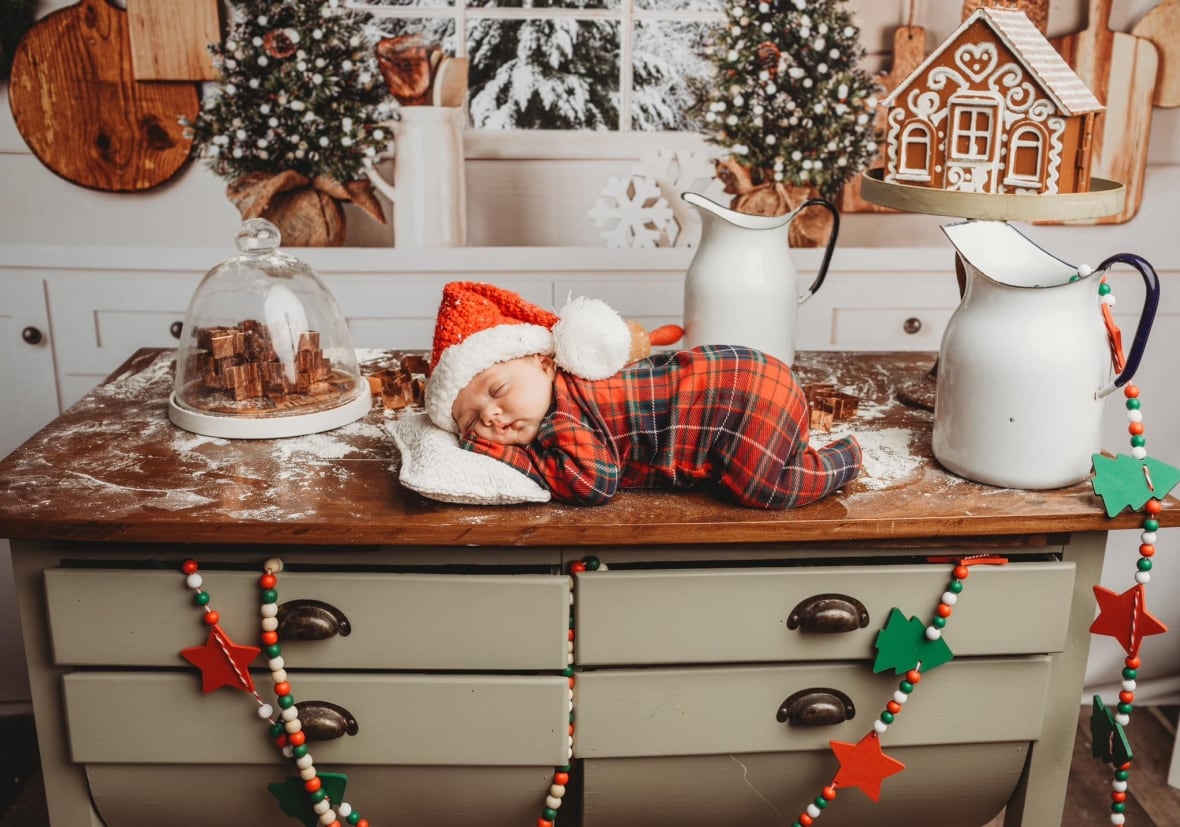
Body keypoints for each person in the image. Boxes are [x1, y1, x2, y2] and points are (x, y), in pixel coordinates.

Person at [423, 281, 862, 508]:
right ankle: (793, 448)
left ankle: (844, 459)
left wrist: (506, 456)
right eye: (472, 422)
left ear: (544, 362)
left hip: (743, 396)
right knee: (769, 455)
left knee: (765, 490)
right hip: (744, 381)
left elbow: (593, 483)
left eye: (497, 391)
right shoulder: (566, 391)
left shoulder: (564, 416)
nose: (492, 418)